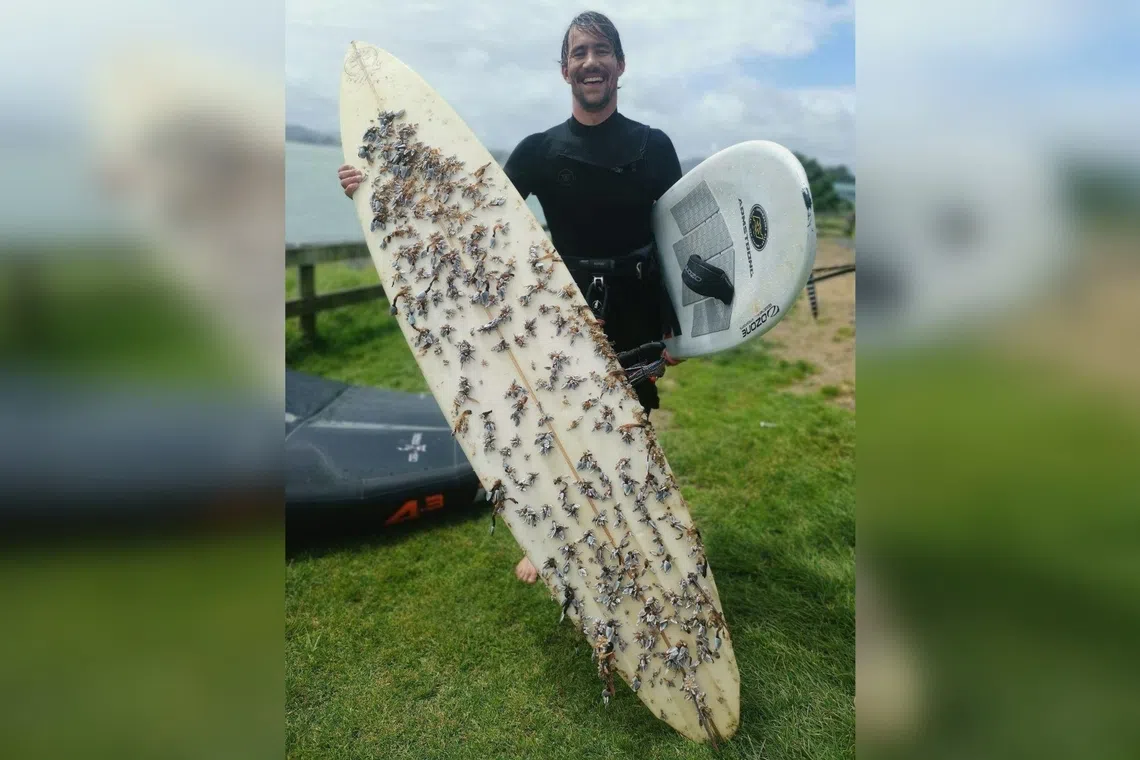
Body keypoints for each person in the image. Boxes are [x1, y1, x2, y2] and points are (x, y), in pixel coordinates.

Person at [337, 11, 683, 584]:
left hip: (636, 303)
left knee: (629, 425)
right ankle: (557, 542)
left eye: (600, 51)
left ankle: (634, 538)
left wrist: (682, 324)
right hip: (557, 306)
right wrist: (375, 185)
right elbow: (468, 210)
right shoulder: (540, 150)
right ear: (564, 70)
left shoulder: (653, 145)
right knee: (556, 424)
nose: (589, 62)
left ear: (620, 65)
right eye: (577, 53)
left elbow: (676, 235)